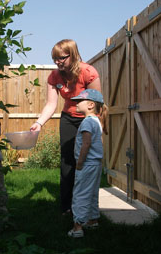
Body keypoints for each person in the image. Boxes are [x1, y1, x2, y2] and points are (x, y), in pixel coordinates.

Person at [30, 39, 101, 215]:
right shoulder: (55, 76)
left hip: (87, 119)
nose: (57, 62)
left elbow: (97, 103)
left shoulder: (88, 72)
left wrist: (97, 127)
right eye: (54, 58)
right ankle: (67, 206)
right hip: (68, 118)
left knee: (87, 160)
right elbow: (51, 104)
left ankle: (87, 207)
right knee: (67, 161)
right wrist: (39, 123)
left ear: (73, 54)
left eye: (61, 58)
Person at [66, 89, 108, 238]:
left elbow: (86, 144)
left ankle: (77, 227)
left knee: (80, 194)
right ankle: (92, 220)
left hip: (87, 164)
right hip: (95, 164)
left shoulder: (87, 122)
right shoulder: (96, 120)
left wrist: (79, 163)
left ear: (90, 105)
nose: (76, 104)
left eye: (79, 101)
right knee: (91, 193)